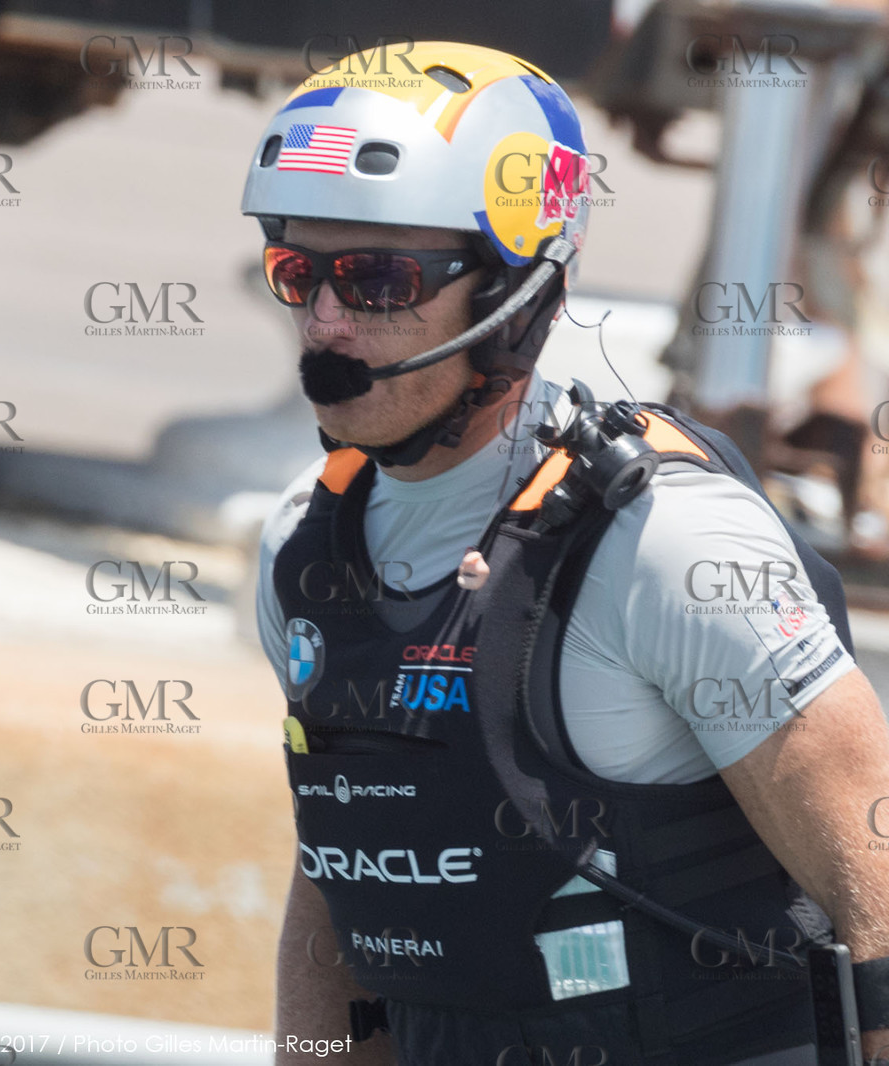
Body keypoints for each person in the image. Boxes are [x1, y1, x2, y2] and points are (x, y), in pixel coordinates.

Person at [243, 41, 889, 1065]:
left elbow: (879, 890)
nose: (325, 323)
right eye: (297, 272)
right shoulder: (301, 544)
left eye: (376, 278)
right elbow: (343, 886)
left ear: (513, 289)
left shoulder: (666, 545)